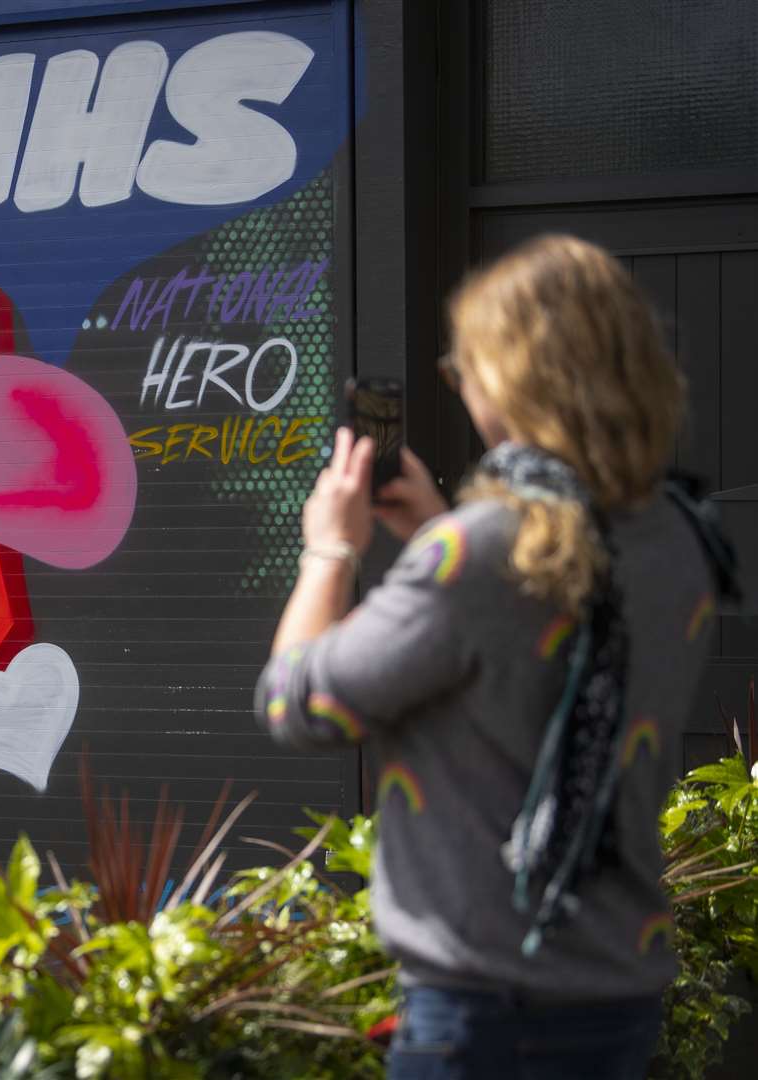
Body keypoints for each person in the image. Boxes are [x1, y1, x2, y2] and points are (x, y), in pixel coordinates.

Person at [256, 234, 733, 1078]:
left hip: (487, 1007)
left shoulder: (486, 552)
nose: (465, 385)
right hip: (618, 991)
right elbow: (538, 637)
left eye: (465, 366)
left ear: (514, 378)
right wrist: (439, 537)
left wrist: (329, 551)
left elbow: (301, 703)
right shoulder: (683, 536)